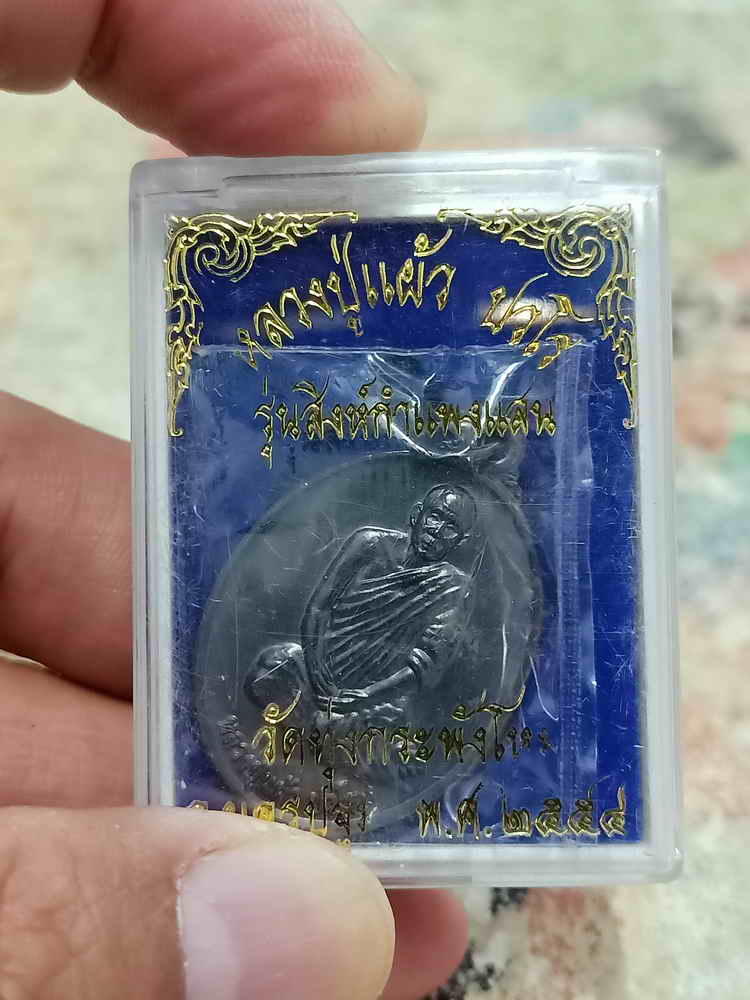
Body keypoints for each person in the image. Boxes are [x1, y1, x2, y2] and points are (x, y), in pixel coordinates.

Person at [0, 2, 468, 999]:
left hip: (371, 710)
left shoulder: (447, 595)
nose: (431, 528)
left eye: (445, 524)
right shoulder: (370, 545)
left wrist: (379, 683)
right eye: (428, 518)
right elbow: (328, 601)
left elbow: (415, 657)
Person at [247, 486, 477, 719]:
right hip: (319, 668)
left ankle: (319, 723)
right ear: (417, 514)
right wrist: (317, 672)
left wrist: (366, 696)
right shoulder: (369, 543)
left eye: (451, 527)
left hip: (375, 695)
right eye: (435, 516)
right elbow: (319, 609)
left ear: (461, 541)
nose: (437, 531)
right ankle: (309, 719)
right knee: (270, 668)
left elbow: (425, 665)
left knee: (384, 723)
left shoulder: (454, 586)